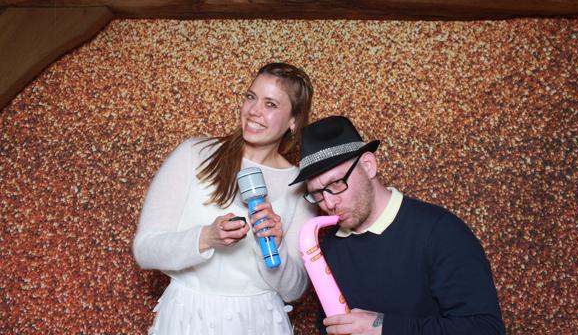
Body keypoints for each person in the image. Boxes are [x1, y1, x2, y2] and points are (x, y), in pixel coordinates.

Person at [133, 62, 317, 334]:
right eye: (251, 97)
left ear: (294, 121)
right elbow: (145, 249)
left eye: (270, 104)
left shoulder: (299, 186)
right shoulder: (195, 154)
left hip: (258, 323)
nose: (254, 110)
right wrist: (206, 237)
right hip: (187, 317)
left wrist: (275, 247)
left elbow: (295, 289)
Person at [289, 115, 505, 335]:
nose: (329, 203)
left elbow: (486, 329)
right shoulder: (329, 248)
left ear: (368, 165)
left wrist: (384, 328)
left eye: (336, 183)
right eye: (317, 193)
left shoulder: (441, 231)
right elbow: (328, 325)